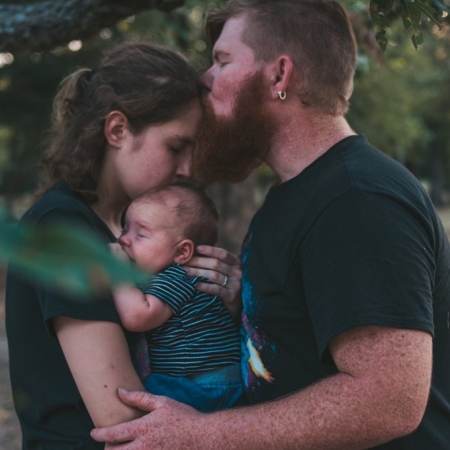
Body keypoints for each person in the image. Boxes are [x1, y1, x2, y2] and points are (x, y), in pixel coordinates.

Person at [91, 1, 450, 449]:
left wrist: (201, 434)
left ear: (279, 77)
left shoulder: (357, 199)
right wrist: (246, 306)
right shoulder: (293, 196)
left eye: (222, 61)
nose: (205, 79)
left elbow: (388, 399)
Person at [5, 42, 242, 450]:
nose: (187, 168)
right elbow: (123, 418)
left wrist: (227, 304)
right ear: (117, 130)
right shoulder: (65, 228)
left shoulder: (118, 233)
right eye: (175, 146)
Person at [109, 181, 244, 412]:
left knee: (140, 403)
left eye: (140, 234)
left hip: (201, 385)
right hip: (218, 382)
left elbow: (138, 317)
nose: (123, 239)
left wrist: (116, 272)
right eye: (124, 228)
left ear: (182, 251)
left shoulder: (179, 274)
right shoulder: (181, 273)